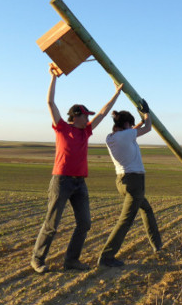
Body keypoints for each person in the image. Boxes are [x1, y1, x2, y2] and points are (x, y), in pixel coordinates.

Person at [30, 63, 123, 273]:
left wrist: (116, 93)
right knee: (52, 223)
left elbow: (102, 112)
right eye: (85, 116)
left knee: (85, 223)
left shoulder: (86, 132)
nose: (89, 118)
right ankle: (37, 259)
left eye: (88, 116)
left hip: (79, 183)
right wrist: (53, 78)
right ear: (76, 116)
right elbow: (50, 102)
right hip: (61, 180)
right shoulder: (62, 128)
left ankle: (71, 260)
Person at [97, 100, 162, 267]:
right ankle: (106, 256)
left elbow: (132, 131)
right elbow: (147, 128)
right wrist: (147, 113)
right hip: (134, 181)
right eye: (131, 124)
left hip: (122, 180)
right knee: (125, 221)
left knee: (146, 209)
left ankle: (157, 246)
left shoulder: (112, 137)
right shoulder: (126, 135)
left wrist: (138, 121)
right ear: (126, 124)